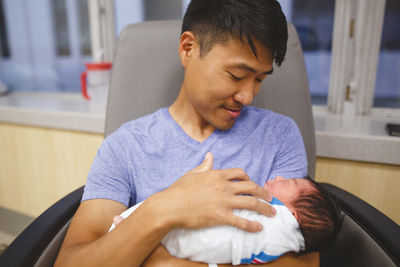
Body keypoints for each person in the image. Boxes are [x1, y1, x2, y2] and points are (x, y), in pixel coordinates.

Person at [55, 1, 318, 266]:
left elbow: (304, 261)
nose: (248, 96)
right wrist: (165, 208)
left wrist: (163, 263)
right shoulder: (125, 147)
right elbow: (70, 262)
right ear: (188, 49)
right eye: (237, 75)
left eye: (260, 79)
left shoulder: (279, 136)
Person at [109, 176, 342, 265]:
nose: (280, 176)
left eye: (289, 182)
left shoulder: (280, 225)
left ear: (294, 216)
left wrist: (161, 261)